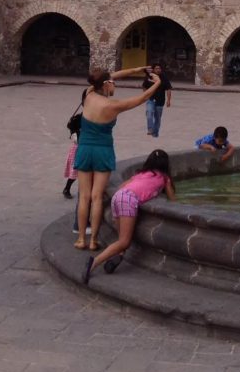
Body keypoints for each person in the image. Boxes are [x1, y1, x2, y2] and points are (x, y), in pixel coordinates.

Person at [73, 66, 162, 251]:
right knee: (97, 197)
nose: (115, 84)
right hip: (103, 151)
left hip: (84, 149)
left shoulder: (88, 94)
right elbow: (143, 98)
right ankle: (93, 240)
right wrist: (158, 83)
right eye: (112, 83)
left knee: (84, 196)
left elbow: (111, 76)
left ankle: (81, 239)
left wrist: (137, 69)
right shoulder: (112, 105)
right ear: (106, 84)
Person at [85, 149, 174, 283]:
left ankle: (118, 257)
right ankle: (94, 263)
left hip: (118, 197)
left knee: (122, 240)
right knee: (124, 241)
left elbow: (122, 186)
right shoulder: (164, 178)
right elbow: (173, 200)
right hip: (128, 200)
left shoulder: (140, 174)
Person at [142, 65, 173, 137]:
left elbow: (168, 89)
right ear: (153, 69)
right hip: (150, 99)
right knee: (149, 113)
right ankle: (150, 129)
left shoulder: (164, 78)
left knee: (158, 118)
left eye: (159, 68)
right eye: (156, 68)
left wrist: (168, 100)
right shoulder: (149, 77)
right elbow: (144, 86)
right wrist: (145, 95)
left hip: (160, 101)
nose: (158, 70)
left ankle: (155, 133)